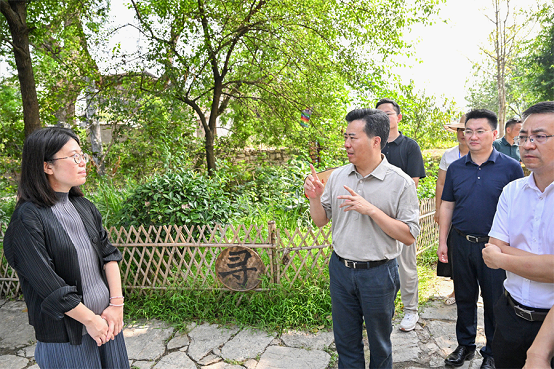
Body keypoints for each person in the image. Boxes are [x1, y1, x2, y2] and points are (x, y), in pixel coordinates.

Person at [3, 127, 129, 368]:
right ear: (46, 166)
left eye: (82, 155)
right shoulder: (27, 219)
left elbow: (109, 255)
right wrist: (90, 321)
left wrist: (116, 306)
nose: (83, 163)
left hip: (107, 324)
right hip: (68, 338)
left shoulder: (84, 206)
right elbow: (49, 286)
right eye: (74, 157)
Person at [304, 108, 420, 368]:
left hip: (379, 274)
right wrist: (314, 198)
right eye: (345, 136)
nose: (346, 144)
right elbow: (321, 220)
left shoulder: (400, 182)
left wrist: (371, 210)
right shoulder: (338, 176)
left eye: (353, 137)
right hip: (341, 269)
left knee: (380, 343)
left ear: (375, 140)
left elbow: (410, 236)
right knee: (345, 341)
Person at [437, 109, 524, 369]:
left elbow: (519, 210)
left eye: (479, 131)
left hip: (494, 246)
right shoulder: (455, 167)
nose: (472, 136)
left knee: (494, 299)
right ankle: (465, 345)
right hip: (460, 242)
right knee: (464, 296)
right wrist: (443, 241)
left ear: (494, 134)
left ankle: (493, 352)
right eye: (468, 131)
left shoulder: (510, 168)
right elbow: (447, 205)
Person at [482, 101, 554, 368]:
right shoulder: (512, 191)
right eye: (523, 137)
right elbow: (492, 248)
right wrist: (542, 264)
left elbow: (497, 254)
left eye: (540, 136)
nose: (528, 144)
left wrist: (504, 258)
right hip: (510, 315)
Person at [376, 98, 426, 332]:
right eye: (378, 115)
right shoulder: (373, 144)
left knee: (406, 265)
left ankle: (410, 311)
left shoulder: (410, 146)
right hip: (375, 216)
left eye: (388, 114)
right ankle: (382, 310)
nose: (384, 118)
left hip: (402, 217)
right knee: (378, 265)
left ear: (398, 117)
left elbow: (412, 183)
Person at [435, 114, 469, 306]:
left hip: (471, 209)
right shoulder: (449, 155)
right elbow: (441, 182)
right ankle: (456, 290)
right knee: (453, 250)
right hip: (451, 208)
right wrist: (438, 209)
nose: (463, 134)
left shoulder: (483, 155)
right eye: (461, 130)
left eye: (467, 130)